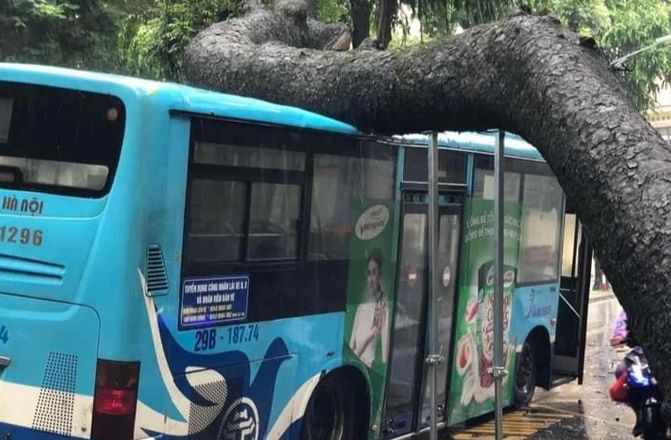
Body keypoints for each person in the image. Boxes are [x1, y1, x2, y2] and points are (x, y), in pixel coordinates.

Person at [349, 248, 390, 369]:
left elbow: (384, 357)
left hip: (367, 370)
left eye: (374, 272)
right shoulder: (361, 307)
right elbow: (351, 346)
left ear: (380, 275)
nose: (370, 280)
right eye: (368, 273)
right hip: (355, 367)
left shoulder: (383, 308)